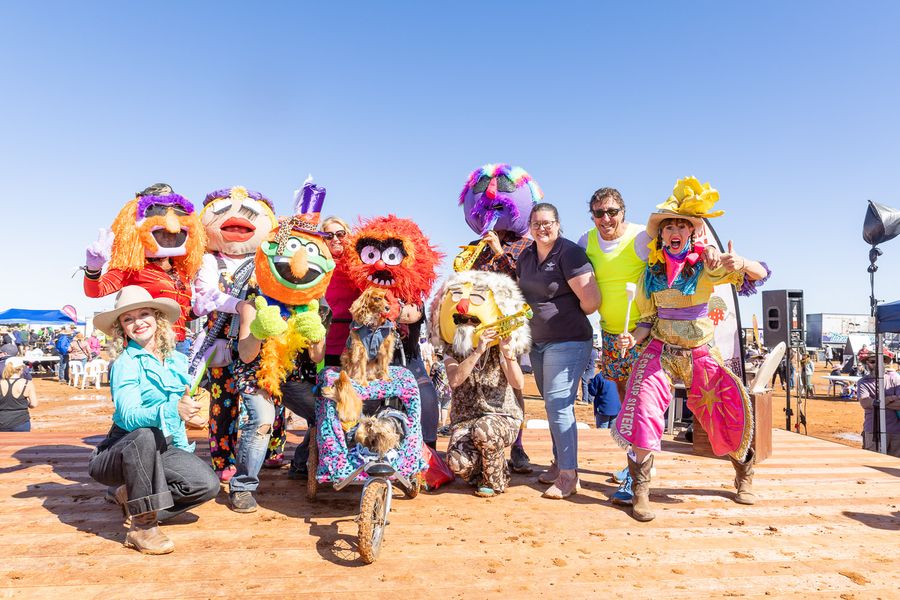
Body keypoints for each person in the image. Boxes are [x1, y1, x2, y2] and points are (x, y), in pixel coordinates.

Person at [613, 177, 770, 522]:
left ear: (691, 234)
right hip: (660, 350)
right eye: (669, 225)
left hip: (700, 352)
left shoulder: (707, 265)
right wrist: (632, 339)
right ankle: (640, 491)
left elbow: (760, 273)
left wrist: (739, 262)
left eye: (682, 225)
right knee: (644, 409)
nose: (675, 230)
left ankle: (744, 473)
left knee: (724, 412)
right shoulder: (650, 274)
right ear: (661, 234)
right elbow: (644, 322)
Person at [87, 286, 219, 555]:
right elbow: (128, 416)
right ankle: (142, 527)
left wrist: (183, 452)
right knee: (145, 433)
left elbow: (178, 418)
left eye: (143, 314)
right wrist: (172, 409)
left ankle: (131, 497)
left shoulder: (177, 360)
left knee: (206, 484)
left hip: (162, 444)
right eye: (128, 319)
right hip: (121, 448)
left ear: (157, 318)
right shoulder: (125, 363)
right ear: (121, 328)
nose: (137, 322)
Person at [457, 163, 541, 473]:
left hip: (510, 325)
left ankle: (517, 444)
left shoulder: (525, 246)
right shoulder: (475, 247)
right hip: (478, 327)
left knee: (514, 382)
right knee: (479, 380)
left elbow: (524, 283)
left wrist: (498, 251)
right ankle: (479, 440)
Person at [516, 202, 601, 499]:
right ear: (530, 225)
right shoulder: (525, 256)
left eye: (548, 223)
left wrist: (561, 313)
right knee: (552, 406)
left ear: (558, 223)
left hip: (569, 340)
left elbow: (591, 301)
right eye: (537, 223)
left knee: (559, 405)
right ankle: (558, 463)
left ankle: (569, 475)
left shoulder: (569, 252)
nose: (542, 228)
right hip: (537, 343)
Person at [429, 270, 530, 497]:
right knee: (456, 463)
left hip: (501, 418)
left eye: (471, 319)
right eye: (461, 319)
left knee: (485, 430)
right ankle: (487, 468)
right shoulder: (450, 350)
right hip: (466, 419)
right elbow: (455, 380)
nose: (465, 318)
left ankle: (495, 481)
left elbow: (518, 382)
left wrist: (509, 355)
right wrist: (476, 352)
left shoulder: (502, 346)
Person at [83, 183, 206, 353]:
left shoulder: (181, 270)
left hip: (180, 346)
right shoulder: (133, 267)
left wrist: (197, 311)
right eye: (162, 233)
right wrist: (93, 269)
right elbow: (95, 291)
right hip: (147, 345)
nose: (169, 238)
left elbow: (180, 314)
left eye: (173, 234)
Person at [320, 216, 360, 367]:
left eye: (340, 234)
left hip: (354, 340)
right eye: (329, 235)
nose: (335, 239)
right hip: (326, 341)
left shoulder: (360, 265)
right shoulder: (318, 265)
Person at [856, 349, 900, 457]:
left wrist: (876, 403)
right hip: (873, 430)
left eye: (880, 361)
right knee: (872, 463)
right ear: (867, 363)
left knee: (894, 465)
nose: (876, 365)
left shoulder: (894, 378)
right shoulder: (863, 382)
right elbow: (865, 403)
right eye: (872, 362)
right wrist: (889, 399)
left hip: (896, 431)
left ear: (885, 362)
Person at [0, 359, 38, 432]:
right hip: (21, 422)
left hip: (2, 421)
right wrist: (27, 404)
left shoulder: (1, 383)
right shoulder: (27, 383)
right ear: (21, 369)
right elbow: (34, 404)